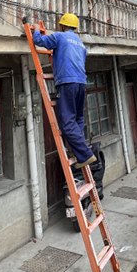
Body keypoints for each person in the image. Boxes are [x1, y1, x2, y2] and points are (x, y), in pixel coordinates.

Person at [32, 13, 96, 169]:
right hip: (81, 82)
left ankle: (85, 154)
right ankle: (78, 153)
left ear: (62, 25)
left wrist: (35, 29)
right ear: (75, 27)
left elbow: (39, 41)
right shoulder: (80, 44)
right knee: (78, 119)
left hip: (67, 82)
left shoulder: (60, 37)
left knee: (67, 123)